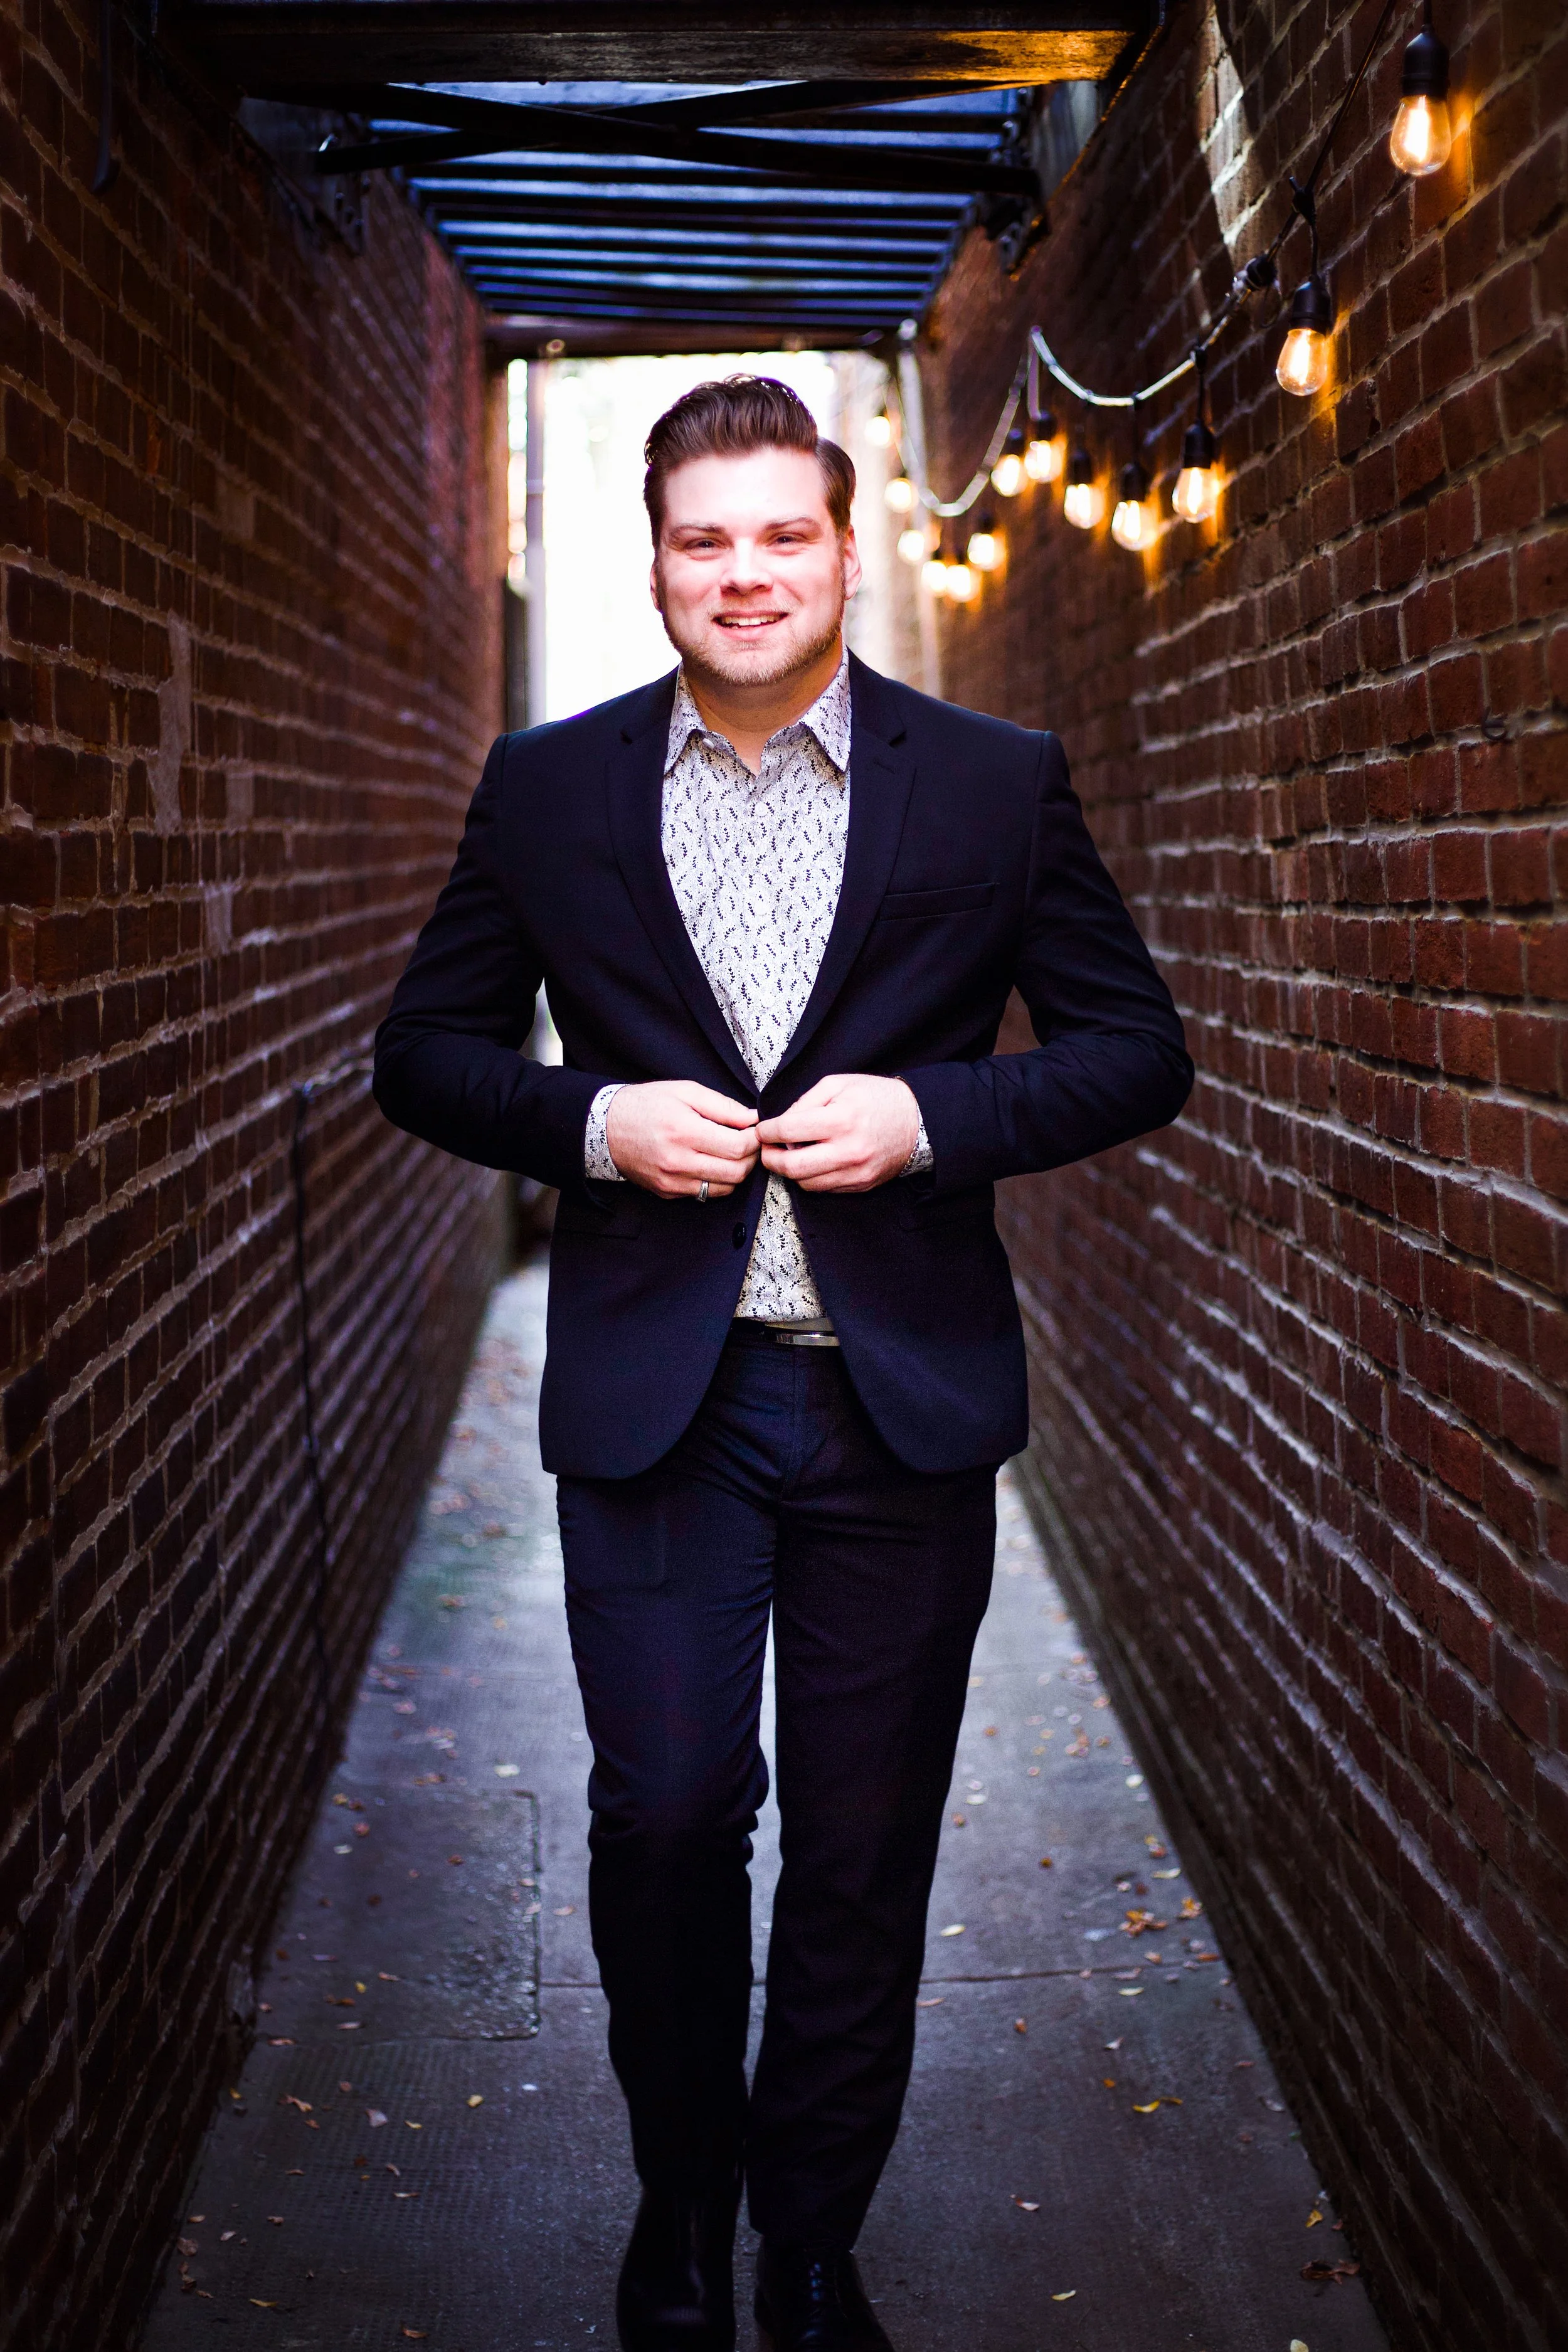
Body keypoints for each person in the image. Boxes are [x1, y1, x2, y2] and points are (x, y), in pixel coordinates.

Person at [374, 376, 1192, 2351]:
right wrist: (588, 1124)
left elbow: (1131, 1047)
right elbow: (426, 1052)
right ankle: (679, 2197)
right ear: (655, 558)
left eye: (780, 533)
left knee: (860, 1838)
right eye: (700, 538)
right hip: (666, 1398)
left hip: (891, 1395)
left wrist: (933, 1118)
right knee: (664, 1805)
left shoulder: (995, 783)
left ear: (844, 547)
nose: (741, 573)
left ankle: (809, 2240)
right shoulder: (547, 790)